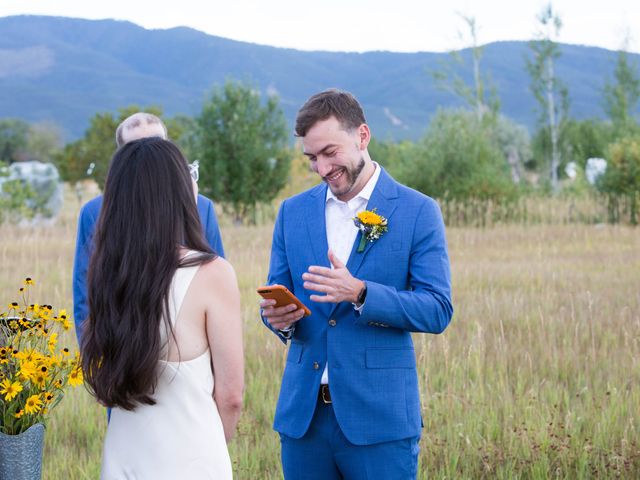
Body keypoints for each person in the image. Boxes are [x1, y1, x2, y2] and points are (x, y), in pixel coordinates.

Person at [260, 89, 453, 479]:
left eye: (330, 152)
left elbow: (437, 309)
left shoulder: (418, 211)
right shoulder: (292, 212)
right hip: (304, 422)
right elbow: (277, 297)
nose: (322, 168)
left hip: (379, 422)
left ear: (362, 136)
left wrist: (361, 293)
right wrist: (279, 318)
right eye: (312, 158)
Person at [81, 137, 243, 479]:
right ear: (178, 194)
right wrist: (212, 443)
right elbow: (231, 396)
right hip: (192, 455)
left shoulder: (106, 271)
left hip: (123, 453)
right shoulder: (211, 273)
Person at [73, 112, 225, 341]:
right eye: (137, 149)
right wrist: (93, 358)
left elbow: (218, 287)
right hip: (122, 345)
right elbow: (86, 293)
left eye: (156, 146)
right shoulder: (95, 212)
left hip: (189, 345)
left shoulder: (201, 207)